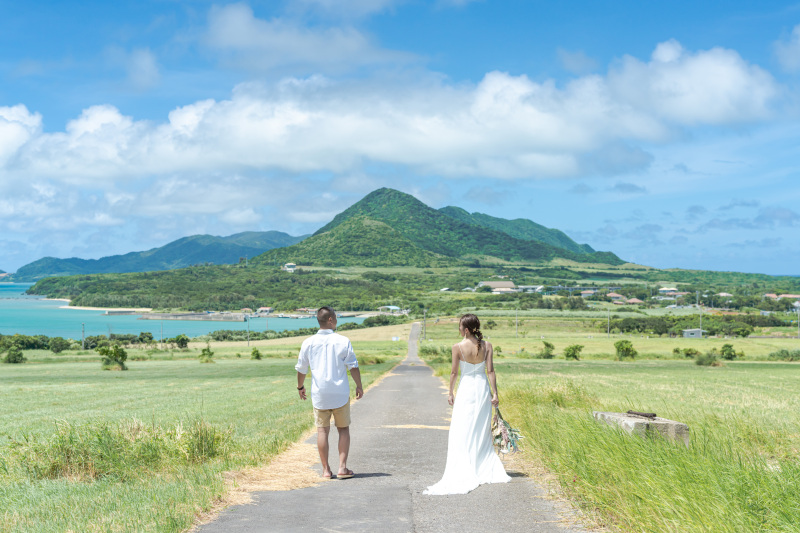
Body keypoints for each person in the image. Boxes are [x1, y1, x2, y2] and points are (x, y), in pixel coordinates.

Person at [424, 313, 511, 495]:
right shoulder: (487, 346)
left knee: (462, 428)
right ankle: (481, 464)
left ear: (465, 329)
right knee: (480, 429)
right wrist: (495, 393)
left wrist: (450, 392)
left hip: (466, 390)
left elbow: (454, 373)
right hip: (482, 389)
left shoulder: (457, 347)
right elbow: (491, 371)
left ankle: (466, 463)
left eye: (459, 327)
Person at [296, 306, 364, 479]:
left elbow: (301, 368)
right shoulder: (342, 340)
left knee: (322, 432)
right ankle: (342, 468)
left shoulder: (308, 342)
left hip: (320, 395)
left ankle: (326, 470)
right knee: (343, 429)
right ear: (331, 320)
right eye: (336, 317)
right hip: (340, 394)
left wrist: (300, 387)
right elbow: (353, 366)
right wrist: (359, 385)